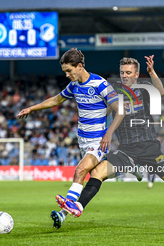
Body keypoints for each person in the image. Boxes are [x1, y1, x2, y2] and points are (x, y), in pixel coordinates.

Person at [55, 56, 164, 234]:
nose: (124, 76)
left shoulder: (143, 90)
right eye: (122, 73)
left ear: (136, 74)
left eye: (128, 73)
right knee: (97, 172)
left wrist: (152, 73)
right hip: (127, 150)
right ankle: (79, 206)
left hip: (150, 149)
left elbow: (160, 92)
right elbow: (103, 112)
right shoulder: (113, 91)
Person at [16, 48, 125, 229]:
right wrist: (31, 108)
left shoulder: (100, 84)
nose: (67, 75)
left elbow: (120, 110)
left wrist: (109, 133)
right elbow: (57, 100)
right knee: (98, 175)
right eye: (65, 71)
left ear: (80, 66)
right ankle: (127, 167)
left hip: (99, 141)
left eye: (69, 70)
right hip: (83, 141)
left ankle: (67, 212)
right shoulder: (75, 86)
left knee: (80, 171)